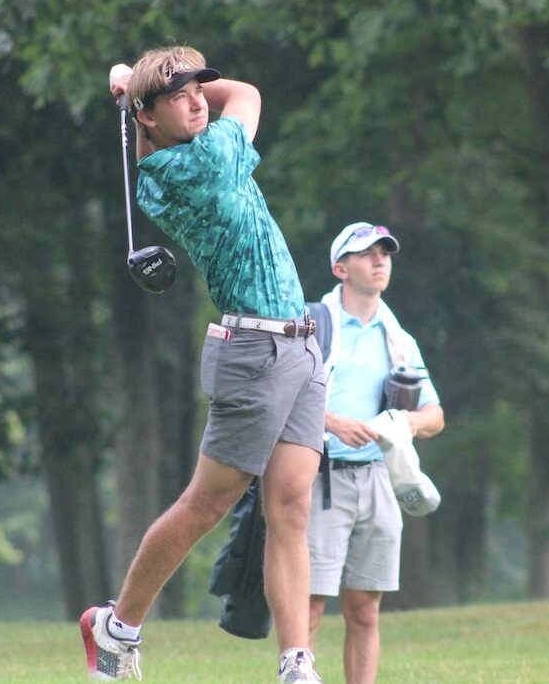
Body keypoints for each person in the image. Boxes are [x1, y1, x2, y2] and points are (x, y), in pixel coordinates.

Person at [83, 45, 326, 683]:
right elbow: (245, 93)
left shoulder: (165, 153)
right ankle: (117, 627)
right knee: (207, 504)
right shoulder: (201, 162)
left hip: (301, 343)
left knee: (292, 507)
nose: (198, 100)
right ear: (150, 118)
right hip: (254, 352)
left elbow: (196, 107)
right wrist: (134, 82)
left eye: (200, 90)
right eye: (181, 95)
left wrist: (140, 87)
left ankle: (296, 663)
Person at [306, 222, 445, 684]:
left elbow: (435, 414)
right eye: (367, 253)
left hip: (380, 481)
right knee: (308, 605)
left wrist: (403, 424)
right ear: (340, 267)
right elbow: (282, 399)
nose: (380, 260)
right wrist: (334, 422)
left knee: (365, 609)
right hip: (319, 478)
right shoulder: (312, 325)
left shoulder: (399, 338)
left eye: (385, 252)